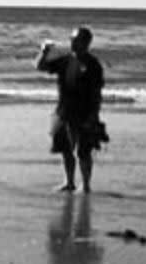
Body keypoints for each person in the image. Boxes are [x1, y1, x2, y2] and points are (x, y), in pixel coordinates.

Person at [35, 26, 107, 193]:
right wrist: (44, 52)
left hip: (84, 113)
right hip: (63, 111)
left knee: (83, 151)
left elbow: (97, 93)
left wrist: (93, 116)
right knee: (65, 149)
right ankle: (69, 182)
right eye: (71, 40)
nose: (72, 43)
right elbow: (40, 66)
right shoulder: (65, 60)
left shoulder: (93, 65)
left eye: (76, 40)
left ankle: (86, 185)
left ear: (86, 43)